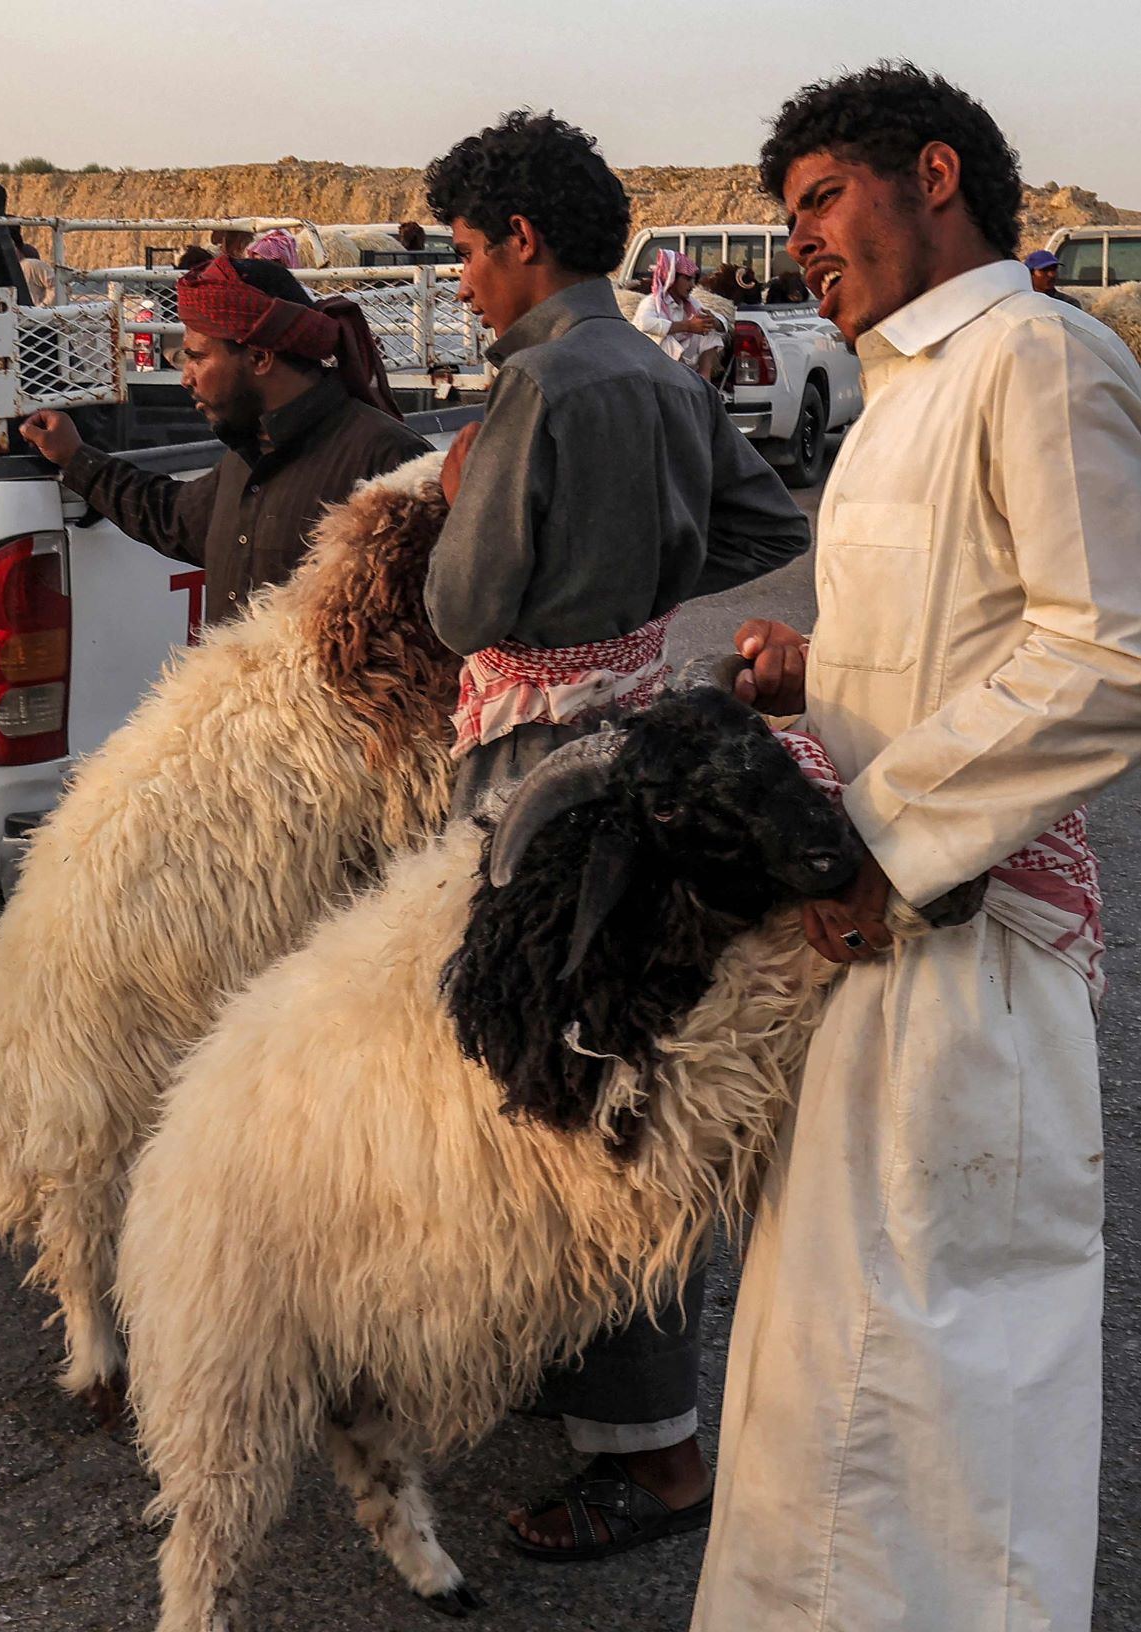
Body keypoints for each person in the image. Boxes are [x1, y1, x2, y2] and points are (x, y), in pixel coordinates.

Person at [692, 63, 1137, 1632]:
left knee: (944, 1396)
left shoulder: (1034, 356)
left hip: (964, 954)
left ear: (932, 173)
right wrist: (816, 673)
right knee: (827, 1370)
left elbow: (1107, 655)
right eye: (789, 213)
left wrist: (880, 837)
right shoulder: (905, 386)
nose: (801, 238)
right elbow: (972, 634)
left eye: (821, 197)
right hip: (865, 932)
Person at [424, 108, 812, 1562]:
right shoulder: (651, 365)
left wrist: (468, 499)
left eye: (465, 252)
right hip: (632, 720)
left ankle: (649, 1453)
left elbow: (460, 614)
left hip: (534, 763)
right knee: (617, 1057)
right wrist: (640, 588)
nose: (459, 281)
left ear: (521, 239)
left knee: (574, 1085)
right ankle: (590, 1387)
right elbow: (763, 520)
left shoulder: (536, 389)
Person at [17, 254, 425, 623]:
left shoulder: (388, 463)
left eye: (196, 357)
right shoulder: (250, 452)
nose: (185, 377)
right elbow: (174, 517)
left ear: (260, 357)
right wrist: (75, 457)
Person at [636, 248, 727, 382]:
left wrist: (714, 321)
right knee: (666, 339)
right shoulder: (652, 302)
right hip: (656, 367)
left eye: (693, 280)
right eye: (687, 279)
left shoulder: (690, 303)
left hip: (683, 364)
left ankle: (704, 380)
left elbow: (722, 321)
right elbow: (645, 323)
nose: (692, 286)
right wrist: (688, 326)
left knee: (708, 327)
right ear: (672, 278)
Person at [15, 240, 57, 307]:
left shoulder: (29, 264)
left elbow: (57, 286)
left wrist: (42, 307)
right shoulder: (24, 266)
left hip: (33, 313)